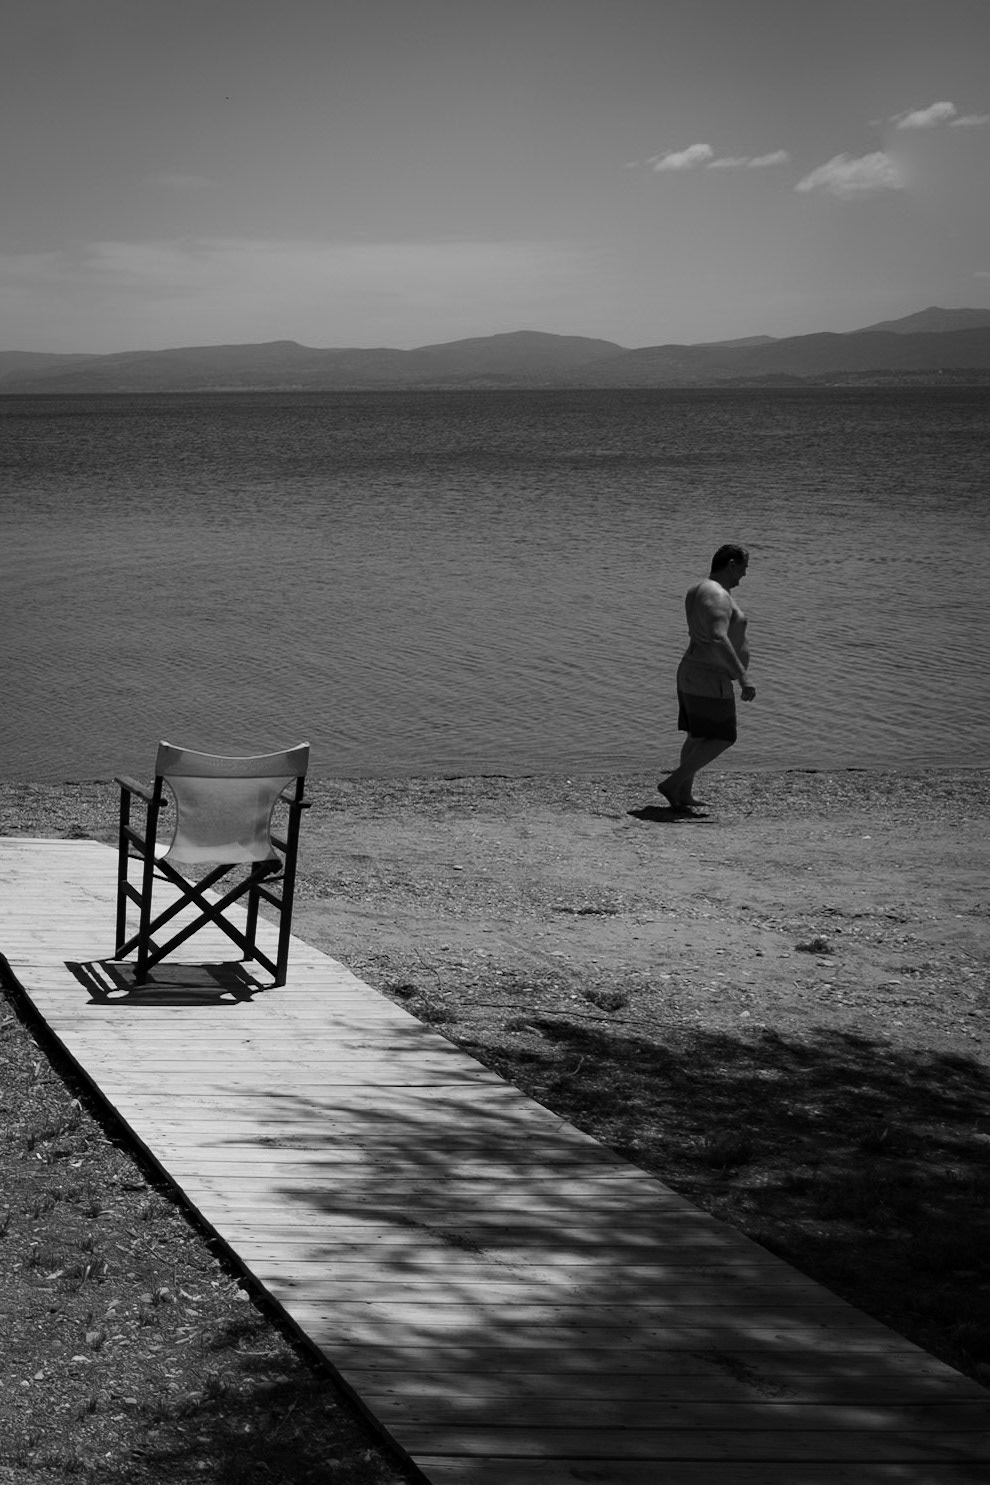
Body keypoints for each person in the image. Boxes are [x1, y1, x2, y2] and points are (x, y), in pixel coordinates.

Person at [658, 543, 756, 810]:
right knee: (724, 737)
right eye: (744, 568)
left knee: (697, 736)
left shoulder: (699, 589)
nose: (744, 574)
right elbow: (717, 636)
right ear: (732, 565)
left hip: (693, 671)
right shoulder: (718, 595)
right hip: (709, 676)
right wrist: (743, 676)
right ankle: (672, 783)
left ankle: (683, 794)